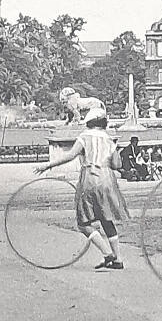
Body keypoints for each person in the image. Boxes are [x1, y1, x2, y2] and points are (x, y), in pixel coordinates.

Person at [35, 108, 130, 270]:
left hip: (90, 179)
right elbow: (117, 165)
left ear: (88, 122)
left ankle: (108, 254)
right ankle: (118, 259)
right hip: (108, 180)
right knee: (106, 219)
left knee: (83, 222)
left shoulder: (84, 136)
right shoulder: (109, 139)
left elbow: (71, 155)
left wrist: (48, 165)